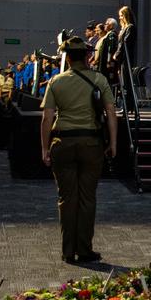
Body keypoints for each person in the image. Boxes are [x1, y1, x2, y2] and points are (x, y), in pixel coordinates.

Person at [40, 35, 118, 264]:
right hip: (91, 144)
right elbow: (111, 113)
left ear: (67, 57)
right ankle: (84, 249)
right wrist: (113, 143)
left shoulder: (56, 82)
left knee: (66, 198)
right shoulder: (99, 79)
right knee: (87, 198)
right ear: (86, 55)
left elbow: (47, 118)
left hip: (62, 144)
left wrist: (44, 148)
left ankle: (67, 251)